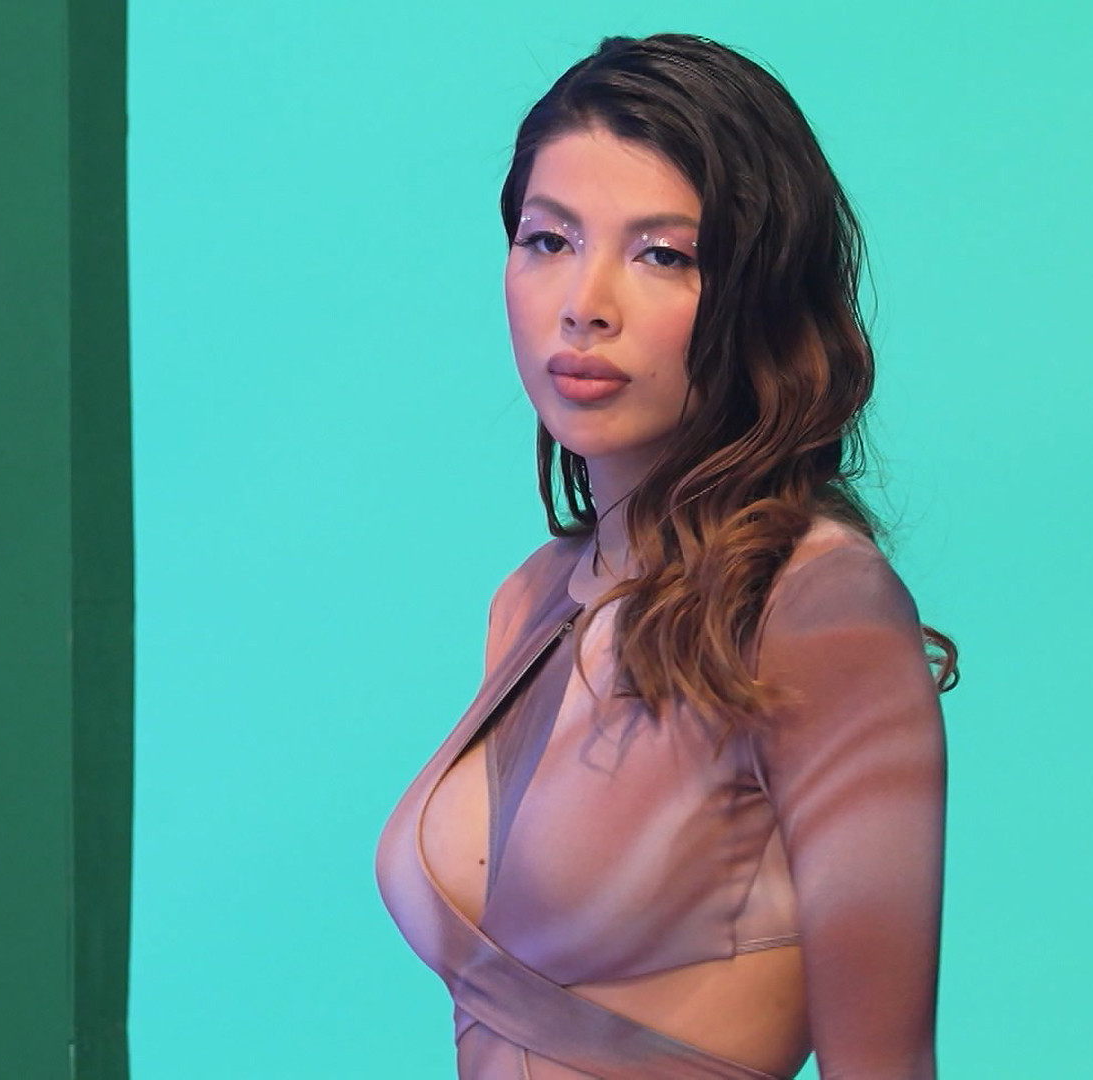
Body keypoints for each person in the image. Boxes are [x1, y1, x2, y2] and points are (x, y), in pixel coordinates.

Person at [376, 33, 958, 1079]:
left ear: (758, 292)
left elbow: (885, 1066)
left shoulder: (816, 606)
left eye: (662, 255)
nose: (585, 303)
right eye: (549, 239)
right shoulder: (529, 601)